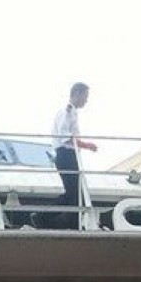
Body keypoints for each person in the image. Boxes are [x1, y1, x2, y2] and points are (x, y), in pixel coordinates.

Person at [39, 82, 98, 229]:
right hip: (66, 155)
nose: (86, 101)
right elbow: (66, 138)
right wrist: (87, 145)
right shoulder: (67, 112)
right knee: (75, 194)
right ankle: (45, 218)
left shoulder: (72, 112)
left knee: (75, 193)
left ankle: (46, 217)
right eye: (85, 97)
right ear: (76, 94)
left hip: (69, 156)